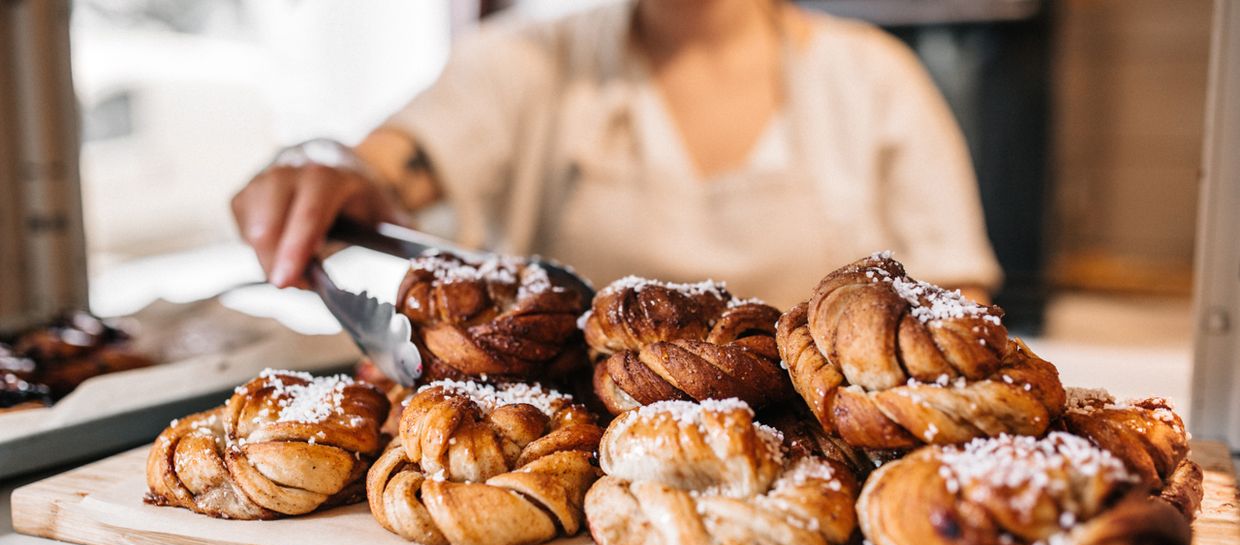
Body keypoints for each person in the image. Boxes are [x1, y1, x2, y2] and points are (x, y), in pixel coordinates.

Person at [231, 0, 1001, 308]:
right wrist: (325, 163)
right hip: (561, 488)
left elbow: (959, 307)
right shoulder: (523, 64)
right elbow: (392, 160)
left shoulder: (874, 80)